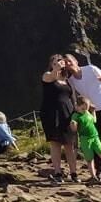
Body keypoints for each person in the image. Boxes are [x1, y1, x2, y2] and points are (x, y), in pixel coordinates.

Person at [65, 53, 101, 183]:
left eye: (69, 61)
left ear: (75, 61)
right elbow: (75, 99)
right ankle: (100, 171)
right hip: (90, 113)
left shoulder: (91, 69)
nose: (68, 64)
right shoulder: (71, 81)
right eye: (66, 62)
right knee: (94, 141)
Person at [40, 53, 79, 182]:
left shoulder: (67, 79)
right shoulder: (47, 76)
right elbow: (50, 77)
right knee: (55, 143)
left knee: (69, 144)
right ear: (51, 64)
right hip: (51, 113)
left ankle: (74, 173)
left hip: (67, 113)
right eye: (54, 62)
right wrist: (55, 69)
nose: (58, 63)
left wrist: (76, 114)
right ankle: (57, 173)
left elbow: (72, 98)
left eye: (60, 61)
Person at [70, 95, 101, 183]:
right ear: (77, 106)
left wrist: (93, 111)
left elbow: (94, 120)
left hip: (95, 137)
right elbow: (74, 129)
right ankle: (93, 176)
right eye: (82, 109)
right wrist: (73, 124)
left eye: (86, 109)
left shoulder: (87, 112)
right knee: (90, 158)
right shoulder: (76, 115)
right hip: (85, 139)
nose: (84, 110)